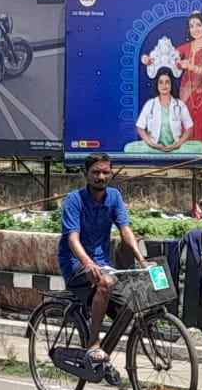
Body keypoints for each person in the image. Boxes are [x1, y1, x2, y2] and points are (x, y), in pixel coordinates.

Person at [56, 153, 148, 364]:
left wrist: (142, 260)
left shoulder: (114, 197)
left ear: (111, 173)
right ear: (86, 174)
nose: (101, 177)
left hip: (103, 264)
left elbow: (125, 230)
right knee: (105, 282)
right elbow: (72, 238)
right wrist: (88, 263)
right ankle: (93, 343)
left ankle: (100, 363)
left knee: (128, 308)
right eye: (95, 172)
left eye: (105, 172)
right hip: (75, 264)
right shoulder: (74, 200)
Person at [141, 11, 202, 152]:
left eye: (198, 25)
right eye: (191, 26)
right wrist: (148, 60)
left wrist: (190, 66)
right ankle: (186, 162)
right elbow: (166, 57)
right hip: (187, 98)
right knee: (186, 131)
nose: (195, 29)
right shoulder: (185, 48)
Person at [125, 67, 202, 154]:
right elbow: (140, 127)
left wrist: (178, 144)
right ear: (157, 85)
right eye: (161, 82)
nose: (164, 86)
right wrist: (152, 144)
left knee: (200, 146)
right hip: (155, 146)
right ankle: (163, 152)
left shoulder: (180, 104)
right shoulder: (150, 104)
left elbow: (189, 128)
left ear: (171, 85)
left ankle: (168, 152)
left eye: (167, 82)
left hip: (175, 147)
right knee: (128, 148)